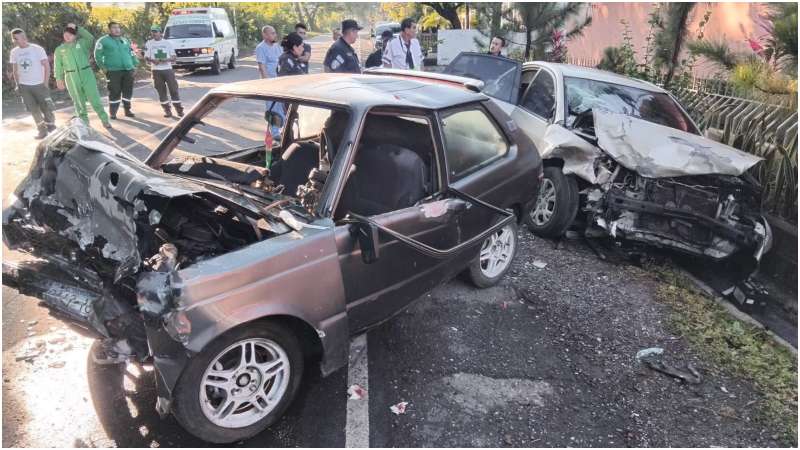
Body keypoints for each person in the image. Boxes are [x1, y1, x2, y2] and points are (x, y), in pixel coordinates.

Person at [54, 24, 111, 128]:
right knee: (78, 101)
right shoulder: (59, 50)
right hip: (71, 76)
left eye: (71, 34)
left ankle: (104, 120)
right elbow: (58, 66)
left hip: (86, 73)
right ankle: (85, 124)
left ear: (75, 36)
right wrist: (59, 79)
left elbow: (90, 37)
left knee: (94, 99)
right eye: (66, 33)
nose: (68, 36)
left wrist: (77, 28)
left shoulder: (82, 43)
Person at [9, 28, 56, 138]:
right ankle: (42, 131)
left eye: (23, 35)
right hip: (24, 86)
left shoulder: (37, 49)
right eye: (19, 38)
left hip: (39, 84)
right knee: (33, 110)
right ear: (14, 40)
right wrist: (18, 85)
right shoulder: (14, 52)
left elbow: (47, 66)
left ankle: (51, 127)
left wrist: (45, 83)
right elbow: (15, 70)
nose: (23, 38)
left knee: (46, 108)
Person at [94, 21, 138, 119]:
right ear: (109, 29)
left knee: (128, 91)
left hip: (128, 70)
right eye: (114, 27)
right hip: (113, 71)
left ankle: (127, 110)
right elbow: (97, 56)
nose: (117, 29)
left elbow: (132, 53)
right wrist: (103, 68)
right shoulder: (103, 41)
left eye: (118, 27)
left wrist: (135, 65)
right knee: (114, 91)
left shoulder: (125, 40)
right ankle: (113, 112)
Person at [144, 25, 183, 118]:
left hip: (167, 70)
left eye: (156, 31)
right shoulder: (149, 43)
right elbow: (146, 57)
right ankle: (167, 110)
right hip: (156, 71)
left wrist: (166, 59)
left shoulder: (167, 43)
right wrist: (153, 60)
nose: (154, 33)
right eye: (153, 32)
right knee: (161, 91)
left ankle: (179, 110)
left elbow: (174, 57)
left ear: (160, 33)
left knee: (173, 90)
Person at [256, 25, 284, 140]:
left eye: (274, 33)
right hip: (269, 83)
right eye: (272, 33)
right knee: (272, 109)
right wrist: (268, 83)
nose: (274, 35)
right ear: (265, 35)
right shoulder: (261, 48)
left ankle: (284, 130)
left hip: (281, 82)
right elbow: (262, 67)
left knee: (282, 107)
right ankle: (275, 133)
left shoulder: (278, 47)